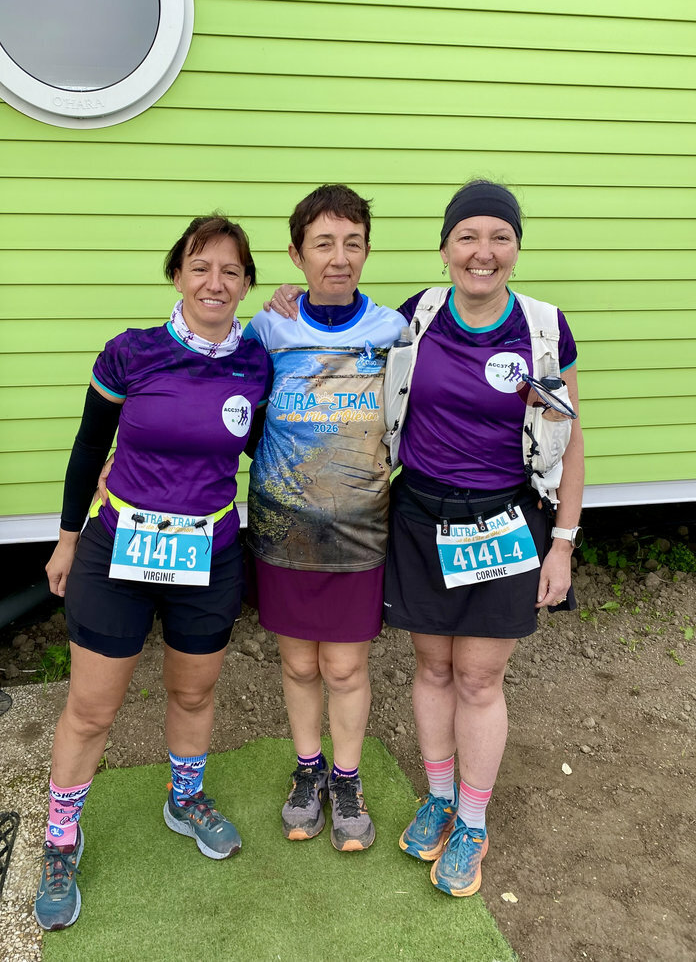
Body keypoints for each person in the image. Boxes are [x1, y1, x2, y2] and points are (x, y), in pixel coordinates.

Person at [35, 216, 270, 931]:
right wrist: (66, 541)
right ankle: (60, 838)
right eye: (200, 266)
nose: (215, 282)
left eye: (231, 271)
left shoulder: (257, 362)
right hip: (118, 551)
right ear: (177, 275)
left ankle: (184, 798)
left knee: (193, 692)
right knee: (92, 707)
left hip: (209, 554)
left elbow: (265, 445)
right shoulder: (131, 352)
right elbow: (88, 447)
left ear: (246, 285)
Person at [385, 180, 584, 897]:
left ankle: (472, 820)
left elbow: (569, 438)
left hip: (504, 523)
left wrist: (563, 543)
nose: (483, 251)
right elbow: (334, 329)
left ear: (516, 249)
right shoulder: (416, 317)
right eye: (467, 236)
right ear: (444, 249)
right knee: (432, 667)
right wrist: (286, 301)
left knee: (477, 675)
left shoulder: (542, 329)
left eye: (500, 237)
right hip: (419, 517)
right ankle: (439, 798)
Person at [243, 185, 404, 851]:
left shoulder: (393, 330)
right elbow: (242, 416)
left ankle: (346, 778)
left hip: (360, 530)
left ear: (367, 250)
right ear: (296, 254)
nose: (339, 257)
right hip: (284, 530)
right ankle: (307, 770)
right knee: (300, 666)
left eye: (352, 243)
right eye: (323, 244)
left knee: (344, 668)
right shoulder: (268, 329)